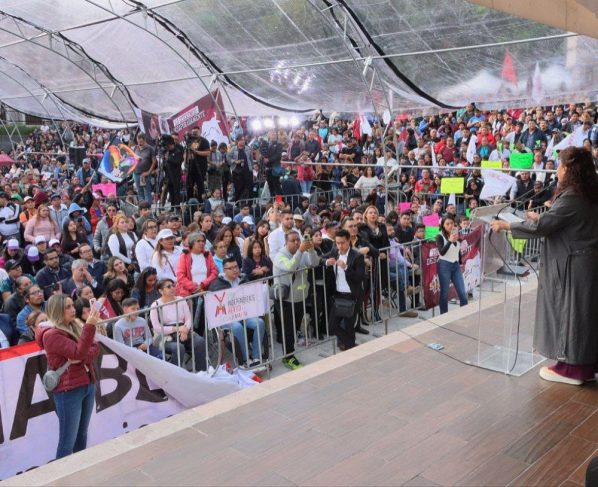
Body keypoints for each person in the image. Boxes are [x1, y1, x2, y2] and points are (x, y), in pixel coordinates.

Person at [491, 147, 598, 385]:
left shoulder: (573, 196)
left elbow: (544, 227)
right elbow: (565, 222)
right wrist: (543, 217)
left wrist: (507, 226)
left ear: (572, 170)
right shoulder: (589, 192)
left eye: (561, 165)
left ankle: (572, 369)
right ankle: (584, 365)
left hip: (573, 266)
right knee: (584, 315)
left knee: (571, 314)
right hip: (584, 262)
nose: (557, 170)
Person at [35, 294, 100, 459]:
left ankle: (80, 472)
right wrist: (90, 327)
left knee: (82, 435)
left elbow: (94, 348)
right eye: (68, 307)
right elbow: (80, 351)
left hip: (87, 384)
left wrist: (83, 355)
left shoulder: (75, 324)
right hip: (68, 390)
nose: (73, 310)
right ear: (57, 310)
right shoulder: (51, 335)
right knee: (67, 441)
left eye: (72, 306)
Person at [273, 231, 319, 370]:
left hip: (300, 297)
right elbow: (290, 267)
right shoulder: (280, 256)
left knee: (294, 329)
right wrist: (300, 251)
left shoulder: (303, 252)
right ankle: (288, 357)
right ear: (285, 242)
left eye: (298, 240)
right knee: (288, 330)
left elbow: (315, 263)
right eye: (292, 240)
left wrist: (310, 250)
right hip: (286, 300)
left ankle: (290, 354)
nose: (297, 243)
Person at [209, 257, 266, 366]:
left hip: (244, 314)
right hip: (226, 317)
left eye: (236, 267)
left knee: (260, 323)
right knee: (237, 327)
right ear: (224, 270)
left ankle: (256, 357)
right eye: (231, 268)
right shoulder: (216, 284)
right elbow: (214, 307)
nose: (235, 270)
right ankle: (245, 359)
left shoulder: (243, 280)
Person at [149, 278, 207, 371]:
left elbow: (188, 319)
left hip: (183, 330)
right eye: (168, 287)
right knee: (178, 348)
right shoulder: (155, 305)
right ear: (161, 291)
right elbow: (157, 327)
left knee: (199, 341)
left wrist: (185, 330)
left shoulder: (181, 299)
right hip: (165, 336)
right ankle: (175, 375)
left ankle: (203, 372)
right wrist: (177, 329)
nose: (172, 288)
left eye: (173, 285)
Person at [323, 229, 366, 350]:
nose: (340, 246)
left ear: (348, 241)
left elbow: (359, 277)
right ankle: (351, 345)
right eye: (337, 243)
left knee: (349, 325)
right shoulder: (335, 252)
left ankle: (350, 348)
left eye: (342, 243)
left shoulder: (357, 256)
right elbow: (321, 258)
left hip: (353, 295)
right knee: (332, 326)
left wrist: (346, 267)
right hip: (338, 295)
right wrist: (327, 262)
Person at [435, 215, 468, 314]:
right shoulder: (439, 236)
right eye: (447, 224)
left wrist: (460, 262)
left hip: (455, 266)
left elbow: (457, 250)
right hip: (444, 265)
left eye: (452, 224)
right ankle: (444, 315)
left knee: (462, 292)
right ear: (443, 226)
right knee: (444, 294)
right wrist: (449, 241)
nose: (450, 226)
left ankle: (465, 313)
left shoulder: (457, 234)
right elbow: (442, 252)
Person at [176, 232, 218, 296]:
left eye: (203, 241)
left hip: (206, 291)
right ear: (192, 243)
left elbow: (214, 272)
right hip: (189, 294)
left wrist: (203, 284)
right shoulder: (184, 256)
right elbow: (180, 276)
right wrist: (195, 287)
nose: (202, 243)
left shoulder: (207, 254)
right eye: (198, 241)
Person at [133, 133, 157, 204]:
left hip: (145, 174)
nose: (139, 143)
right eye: (138, 141)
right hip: (136, 173)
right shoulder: (135, 148)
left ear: (144, 140)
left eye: (141, 142)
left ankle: (148, 209)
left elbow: (154, 161)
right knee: (139, 192)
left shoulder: (150, 149)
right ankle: (142, 209)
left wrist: (149, 172)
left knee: (147, 192)